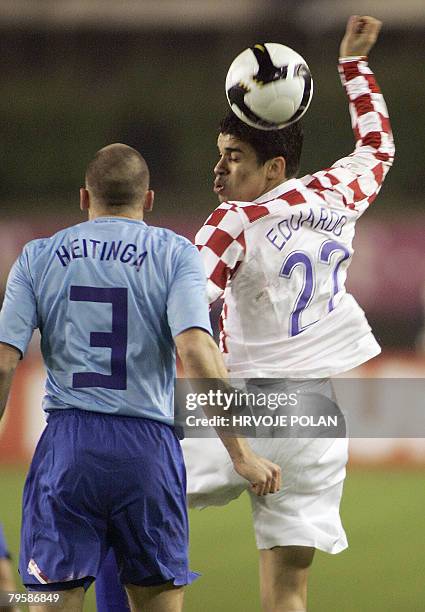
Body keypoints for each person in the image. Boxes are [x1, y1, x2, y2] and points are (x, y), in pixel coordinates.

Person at [94, 15, 395, 612]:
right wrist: (354, 65)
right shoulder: (337, 193)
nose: (220, 169)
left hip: (241, 405)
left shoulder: (234, 221)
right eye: (220, 154)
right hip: (315, 418)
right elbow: (378, 145)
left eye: (233, 156)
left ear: (273, 167)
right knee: (288, 593)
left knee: (109, 503)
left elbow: (174, 315)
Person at [0, 144, 281, 612]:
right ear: (148, 200)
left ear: (84, 198)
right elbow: (195, 349)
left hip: (68, 450)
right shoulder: (176, 255)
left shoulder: (38, 257)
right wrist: (242, 453)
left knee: (48, 602)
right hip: (148, 452)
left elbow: (5, 361)